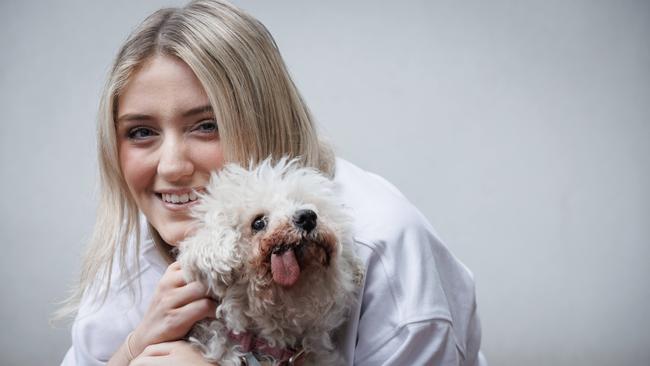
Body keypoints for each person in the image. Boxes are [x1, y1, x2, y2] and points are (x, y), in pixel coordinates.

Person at [59, 1, 487, 365]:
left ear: (265, 118)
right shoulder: (132, 256)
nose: (171, 167)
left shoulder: (384, 248)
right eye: (141, 132)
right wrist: (135, 347)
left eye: (207, 125)